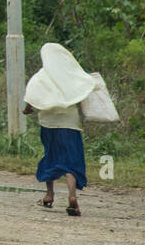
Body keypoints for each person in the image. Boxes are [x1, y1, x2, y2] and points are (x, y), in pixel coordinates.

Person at [23, 42, 96, 217]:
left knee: (51, 157)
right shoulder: (74, 75)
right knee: (71, 161)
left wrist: (28, 109)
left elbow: (30, 101)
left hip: (49, 124)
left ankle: (49, 195)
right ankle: (72, 197)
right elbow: (89, 88)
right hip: (70, 124)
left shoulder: (40, 77)